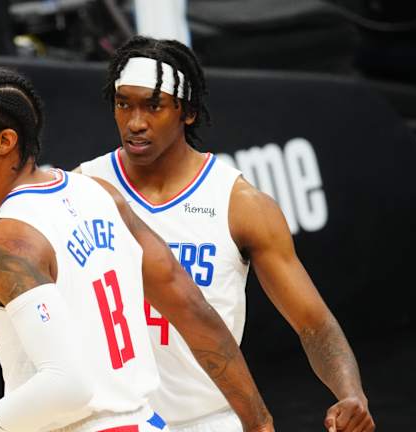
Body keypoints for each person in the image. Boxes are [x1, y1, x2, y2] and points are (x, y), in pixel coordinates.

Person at [0, 67, 274, 432]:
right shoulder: (99, 194)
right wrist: (260, 422)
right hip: (147, 423)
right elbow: (192, 308)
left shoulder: (6, 241)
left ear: (5, 141)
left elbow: (67, 388)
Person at [76, 36, 375, 432]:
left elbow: (313, 323)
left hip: (209, 420)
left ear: (188, 112)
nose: (135, 122)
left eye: (153, 105)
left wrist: (351, 393)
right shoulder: (83, 189)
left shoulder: (240, 204)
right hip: (114, 419)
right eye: (123, 104)